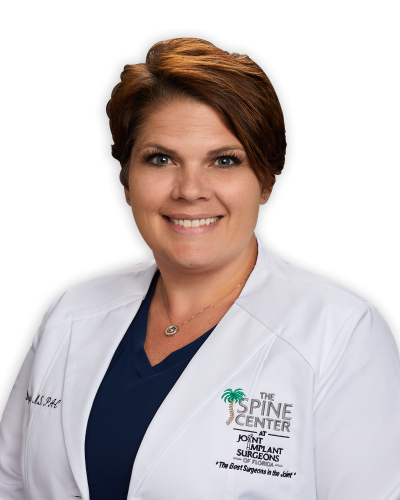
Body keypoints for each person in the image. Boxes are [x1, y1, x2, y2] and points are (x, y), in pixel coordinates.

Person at [0, 37, 399, 500]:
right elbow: (10, 483)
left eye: (224, 160)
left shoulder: (341, 332)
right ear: (127, 181)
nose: (190, 190)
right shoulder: (73, 312)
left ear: (266, 181)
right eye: (161, 158)